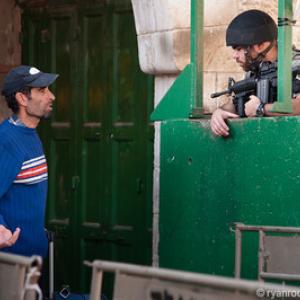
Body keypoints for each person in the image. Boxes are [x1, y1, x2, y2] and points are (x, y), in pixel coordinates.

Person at [210, 9, 300, 137]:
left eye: (239, 48)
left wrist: (261, 108)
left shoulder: (296, 64)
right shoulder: (255, 72)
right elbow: (238, 103)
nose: (234, 56)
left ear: (261, 45)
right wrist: (219, 112)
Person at [0, 65, 58, 258]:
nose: (51, 96)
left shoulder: (30, 134)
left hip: (34, 257)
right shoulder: (7, 141)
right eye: (42, 90)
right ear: (22, 98)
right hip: (13, 262)